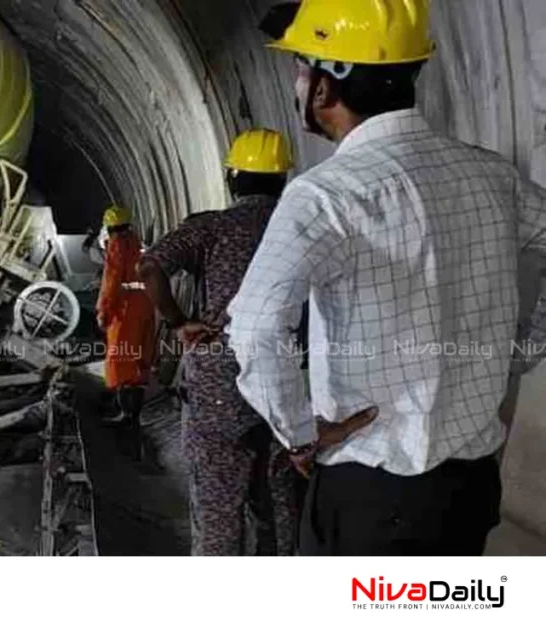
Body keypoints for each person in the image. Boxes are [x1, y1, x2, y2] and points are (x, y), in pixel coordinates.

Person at [228, 0, 546, 555]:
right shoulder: (492, 175)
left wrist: (299, 432)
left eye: (302, 68)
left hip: (373, 493)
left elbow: (254, 328)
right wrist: (528, 343)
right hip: (469, 487)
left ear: (327, 88)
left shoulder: (326, 196)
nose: (297, 85)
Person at [138, 129, 307, 556]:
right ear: (283, 179)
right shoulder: (302, 226)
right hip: (288, 378)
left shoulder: (212, 227)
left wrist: (179, 322)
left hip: (219, 383)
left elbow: (150, 265)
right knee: (281, 500)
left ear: (233, 179)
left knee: (217, 504)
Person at [96, 205, 156, 461]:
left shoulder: (117, 246)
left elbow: (111, 282)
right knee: (140, 357)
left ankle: (126, 413)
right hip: (145, 302)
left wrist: (103, 310)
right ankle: (134, 411)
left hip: (126, 307)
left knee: (120, 359)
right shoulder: (137, 243)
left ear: (109, 227)